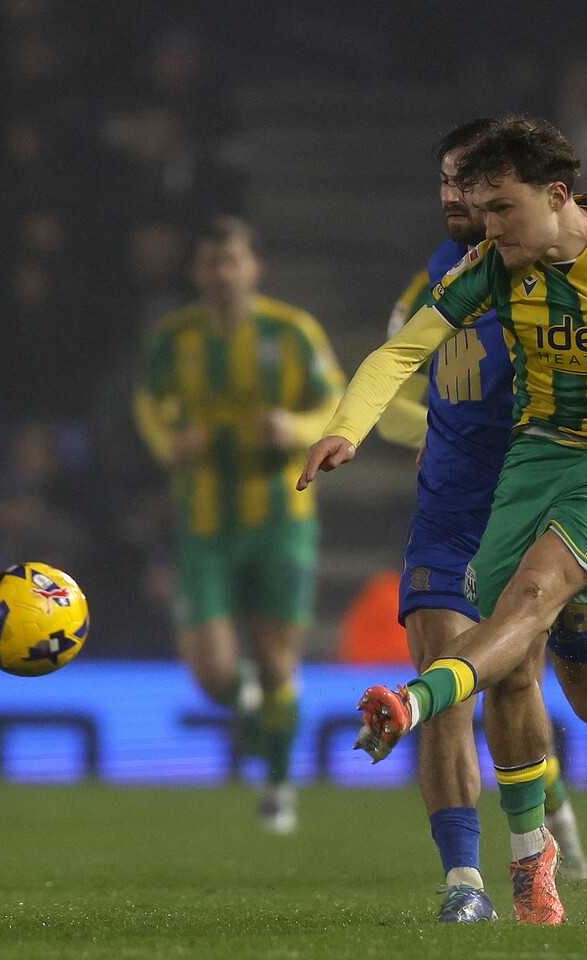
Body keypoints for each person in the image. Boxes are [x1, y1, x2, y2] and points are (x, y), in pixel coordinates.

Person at [300, 116, 587, 924]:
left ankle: (417, 702)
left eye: (492, 203)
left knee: (527, 610)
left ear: (552, 194)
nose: (473, 216)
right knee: (559, 682)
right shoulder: (478, 272)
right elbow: (400, 355)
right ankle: (513, 865)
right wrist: (349, 429)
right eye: (459, 195)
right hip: (520, 475)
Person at [136, 216, 345, 833]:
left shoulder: (293, 331)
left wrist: (300, 430)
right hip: (204, 520)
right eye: (210, 262)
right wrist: (169, 441)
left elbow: (334, 398)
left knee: (279, 660)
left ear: (254, 267)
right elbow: (149, 401)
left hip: (282, 517)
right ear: (197, 272)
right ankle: (252, 708)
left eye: (232, 260)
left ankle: (278, 788)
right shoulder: (175, 338)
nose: (222, 274)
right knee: (212, 672)